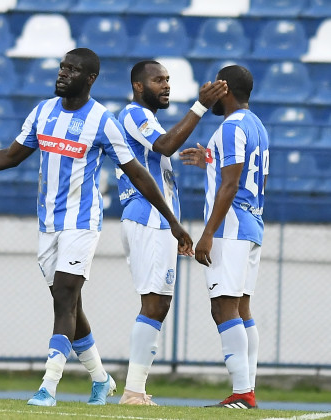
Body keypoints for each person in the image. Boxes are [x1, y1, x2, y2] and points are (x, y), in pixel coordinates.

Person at [0, 48, 194, 406]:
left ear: (90, 78)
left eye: (72, 69)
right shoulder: (43, 111)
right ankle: (101, 379)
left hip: (81, 223)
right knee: (69, 304)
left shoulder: (102, 121)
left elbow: (138, 173)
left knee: (65, 296)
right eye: (62, 67)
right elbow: (11, 155)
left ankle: (48, 386)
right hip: (47, 223)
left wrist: (172, 222)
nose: (63, 74)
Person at [115, 61, 227, 405]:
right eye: (158, 80)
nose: (166, 85)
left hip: (158, 222)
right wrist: (200, 107)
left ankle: (135, 389)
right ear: (138, 86)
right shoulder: (133, 115)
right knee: (155, 302)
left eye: (168, 80)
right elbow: (163, 145)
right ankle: (132, 391)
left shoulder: (147, 120)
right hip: (148, 219)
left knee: (158, 302)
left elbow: (163, 153)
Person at [180, 65, 269, 409]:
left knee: (223, 307)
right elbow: (240, 173)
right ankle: (247, 390)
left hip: (230, 229)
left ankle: (243, 393)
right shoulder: (256, 125)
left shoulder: (230, 127)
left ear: (225, 89)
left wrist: (207, 234)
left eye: (215, 84)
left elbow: (231, 185)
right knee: (242, 307)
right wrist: (210, 161)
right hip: (252, 226)